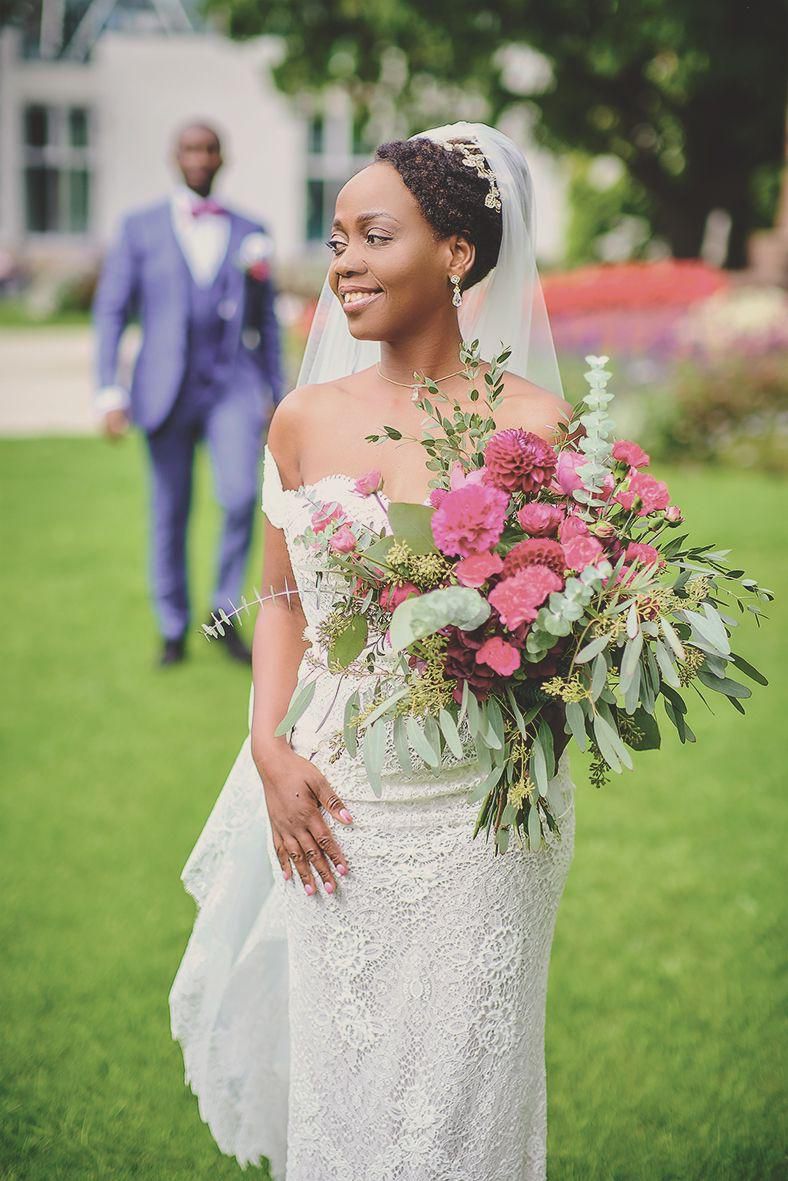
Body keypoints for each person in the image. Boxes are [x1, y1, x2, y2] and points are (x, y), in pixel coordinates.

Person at [169, 122, 576, 1180]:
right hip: (338, 795)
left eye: (373, 235)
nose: (342, 263)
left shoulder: (532, 425)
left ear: (454, 253)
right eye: (336, 237)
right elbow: (279, 597)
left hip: (485, 802)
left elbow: (561, 617)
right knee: (347, 1087)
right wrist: (267, 744)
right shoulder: (301, 418)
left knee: (467, 1094)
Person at [92, 121, 284, 667]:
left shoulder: (252, 230)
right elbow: (110, 312)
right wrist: (108, 391)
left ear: (223, 158)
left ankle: (222, 614)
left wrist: (279, 391)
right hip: (162, 389)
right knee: (169, 510)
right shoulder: (138, 228)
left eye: (208, 148)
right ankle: (172, 627)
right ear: (174, 157)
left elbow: (266, 322)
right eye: (190, 149)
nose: (199, 157)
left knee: (239, 497)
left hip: (232, 387)